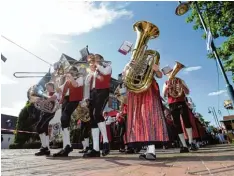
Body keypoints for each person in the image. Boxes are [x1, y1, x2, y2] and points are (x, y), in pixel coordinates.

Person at [122, 58, 170, 161]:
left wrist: (156, 69)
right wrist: (128, 67)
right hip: (135, 91)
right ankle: (148, 150)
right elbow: (124, 77)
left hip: (148, 89)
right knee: (140, 120)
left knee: (149, 116)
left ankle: (151, 150)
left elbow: (160, 75)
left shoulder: (150, 60)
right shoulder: (132, 62)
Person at [162, 66, 197, 153]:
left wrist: (182, 86)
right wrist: (167, 88)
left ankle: (191, 142)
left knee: (186, 121)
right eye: (168, 73)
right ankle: (184, 145)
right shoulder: (166, 82)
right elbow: (164, 95)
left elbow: (187, 92)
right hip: (172, 104)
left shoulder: (180, 80)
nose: (170, 74)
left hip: (181, 102)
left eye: (171, 71)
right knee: (177, 124)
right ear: (166, 75)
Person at [83, 54, 112, 158]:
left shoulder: (107, 66)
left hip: (103, 92)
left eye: (96, 58)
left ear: (101, 59)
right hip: (93, 94)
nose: (94, 61)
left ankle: (106, 141)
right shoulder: (93, 71)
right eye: (93, 59)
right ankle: (95, 148)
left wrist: (97, 65)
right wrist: (91, 71)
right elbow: (86, 83)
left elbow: (105, 72)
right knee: (93, 119)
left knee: (97, 113)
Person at [53, 66, 84, 157]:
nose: (69, 72)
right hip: (66, 100)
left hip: (74, 99)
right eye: (69, 71)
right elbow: (58, 90)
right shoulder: (66, 82)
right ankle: (66, 146)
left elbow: (75, 85)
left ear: (75, 72)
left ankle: (67, 146)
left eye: (71, 71)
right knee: (64, 121)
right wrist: (55, 80)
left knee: (64, 117)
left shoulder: (80, 78)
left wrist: (69, 76)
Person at [34, 82, 60, 156]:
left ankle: (45, 148)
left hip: (52, 113)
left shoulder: (56, 93)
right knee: (39, 128)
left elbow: (53, 98)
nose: (47, 89)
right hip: (45, 113)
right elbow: (41, 104)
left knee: (43, 127)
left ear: (52, 87)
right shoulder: (45, 95)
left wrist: (45, 101)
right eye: (46, 87)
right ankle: (45, 147)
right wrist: (39, 102)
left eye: (48, 87)